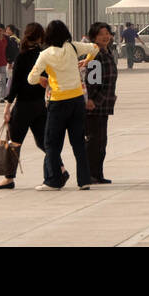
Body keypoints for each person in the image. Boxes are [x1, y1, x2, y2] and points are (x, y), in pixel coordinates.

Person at [27, 19, 97, 191]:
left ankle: (54, 180)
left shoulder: (45, 55)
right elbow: (94, 47)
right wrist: (86, 61)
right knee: (78, 142)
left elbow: (31, 78)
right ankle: (84, 180)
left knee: (52, 144)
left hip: (58, 102)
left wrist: (43, 79)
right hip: (77, 100)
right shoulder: (73, 47)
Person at [0, 23, 47, 189]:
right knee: (43, 141)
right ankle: (60, 168)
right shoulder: (43, 55)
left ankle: (8, 178)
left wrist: (7, 107)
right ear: (40, 37)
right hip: (39, 104)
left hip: (23, 106)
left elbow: (15, 85)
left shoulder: (22, 56)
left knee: (13, 142)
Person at [83, 22, 117, 184]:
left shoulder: (107, 52)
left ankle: (97, 174)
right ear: (94, 37)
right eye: (101, 34)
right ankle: (89, 174)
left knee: (101, 141)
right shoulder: (95, 53)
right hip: (94, 105)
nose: (105, 36)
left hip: (104, 103)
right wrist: (90, 99)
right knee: (94, 141)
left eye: (107, 33)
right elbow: (92, 79)